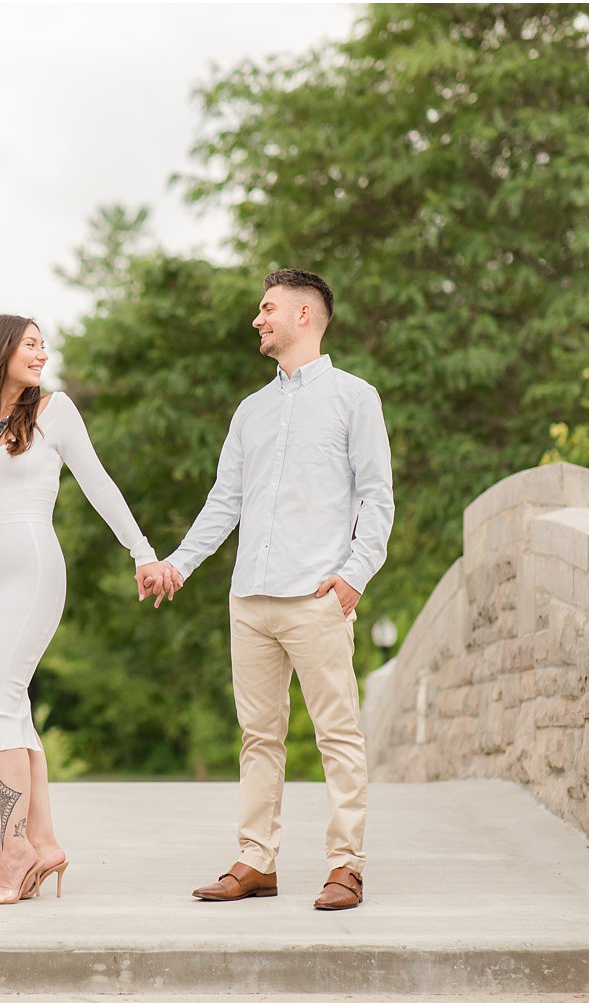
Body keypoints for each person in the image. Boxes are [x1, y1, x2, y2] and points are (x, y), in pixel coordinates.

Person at [144, 268, 394, 911]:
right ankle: (256, 861)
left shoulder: (354, 398)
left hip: (317, 598)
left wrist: (353, 579)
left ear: (305, 315)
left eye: (267, 309)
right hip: (249, 599)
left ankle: (347, 865)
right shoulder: (249, 411)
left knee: (338, 735)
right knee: (258, 738)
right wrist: (179, 563)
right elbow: (224, 502)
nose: (257, 320)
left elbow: (377, 499)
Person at [0, 313, 169, 905]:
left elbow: (99, 484)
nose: (42, 354)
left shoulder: (54, 413)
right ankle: (43, 843)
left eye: (44, 345)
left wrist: (142, 553)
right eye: (30, 345)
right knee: (10, 707)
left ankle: (13, 849)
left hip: (33, 568)